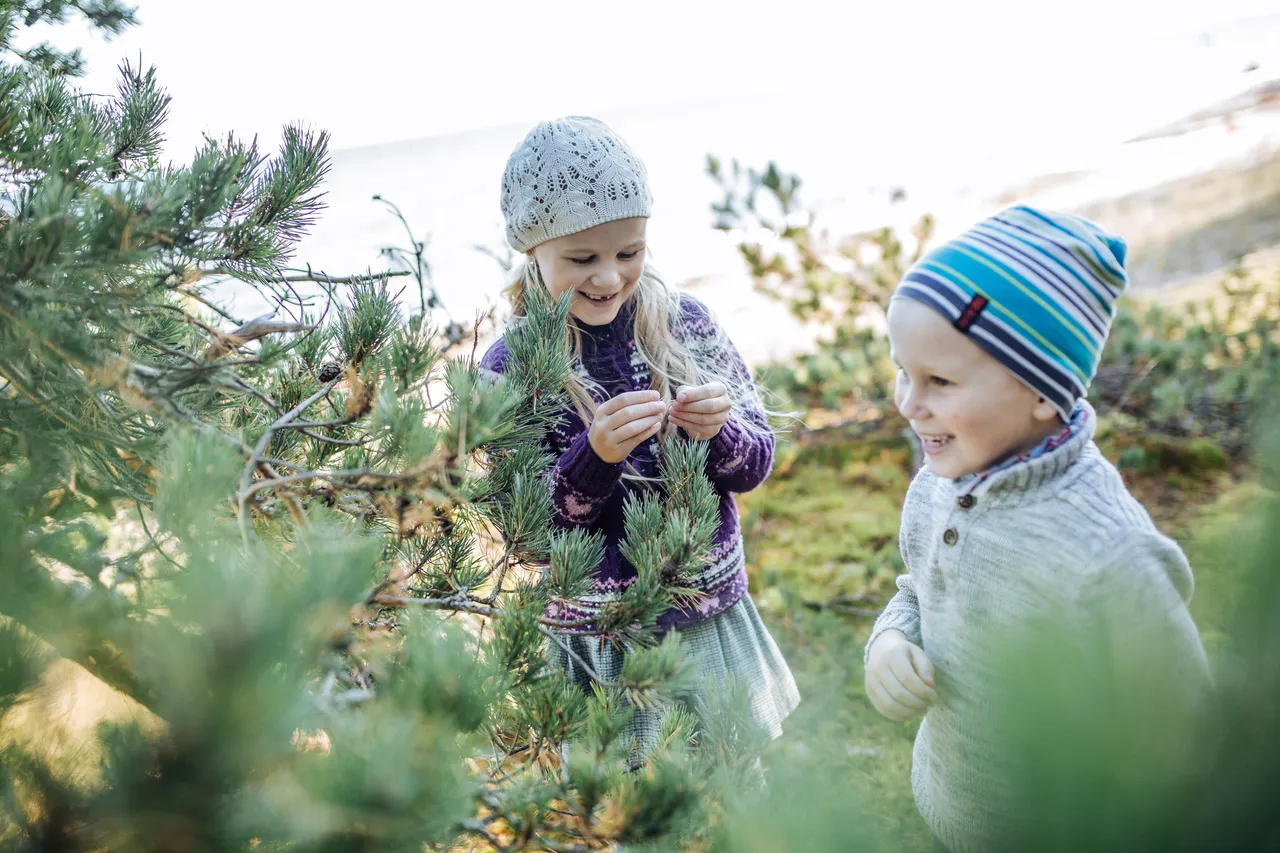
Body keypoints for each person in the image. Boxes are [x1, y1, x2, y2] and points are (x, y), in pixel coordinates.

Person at [864, 205, 1212, 851]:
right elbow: (918, 590)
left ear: (1043, 391)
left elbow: (1186, 733)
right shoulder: (939, 484)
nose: (909, 404)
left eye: (939, 380)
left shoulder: (1109, 552)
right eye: (902, 372)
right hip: (953, 810)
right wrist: (889, 641)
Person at [480, 116, 799, 765]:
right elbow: (527, 534)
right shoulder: (512, 367)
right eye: (582, 259)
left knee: (734, 783)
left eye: (629, 252)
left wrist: (719, 432)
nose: (608, 277)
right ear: (533, 250)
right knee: (623, 798)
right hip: (602, 639)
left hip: (705, 615)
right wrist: (595, 458)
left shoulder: (685, 324)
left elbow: (754, 463)